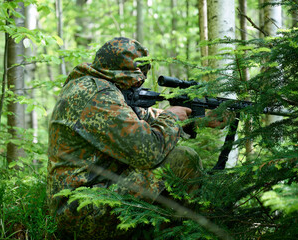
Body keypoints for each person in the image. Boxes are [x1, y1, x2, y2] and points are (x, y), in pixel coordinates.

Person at [47, 37, 226, 239]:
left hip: (84, 199)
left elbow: (141, 117)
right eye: (133, 80)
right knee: (183, 159)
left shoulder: (90, 85)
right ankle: (189, 234)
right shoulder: (99, 95)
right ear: (120, 73)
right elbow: (149, 151)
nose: (136, 85)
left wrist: (195, 118)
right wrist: (172, 118)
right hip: (82, 212)